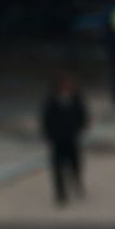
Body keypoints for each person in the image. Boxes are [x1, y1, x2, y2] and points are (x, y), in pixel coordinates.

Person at [40, 74, 89, 205]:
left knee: (75, 165)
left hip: (71, 138)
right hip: (57, 139)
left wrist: (80, 128)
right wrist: (48, 134)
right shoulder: (52, 100)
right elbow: (46, 119)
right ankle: (60, 194)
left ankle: (76, 183)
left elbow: (82, 115)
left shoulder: (76, 99)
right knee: (57, 167)